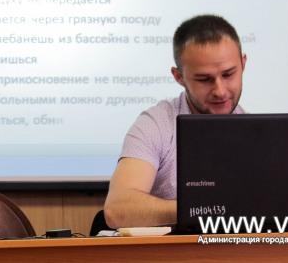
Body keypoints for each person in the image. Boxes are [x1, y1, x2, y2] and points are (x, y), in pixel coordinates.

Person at [103, 14, 246, 228]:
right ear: (178, 77)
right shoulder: (155, 124)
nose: (220, 90)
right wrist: (210, 210)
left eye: (228, 74)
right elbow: (117, 210)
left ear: (243, 64)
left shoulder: (259, 133)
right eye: (204, 79)